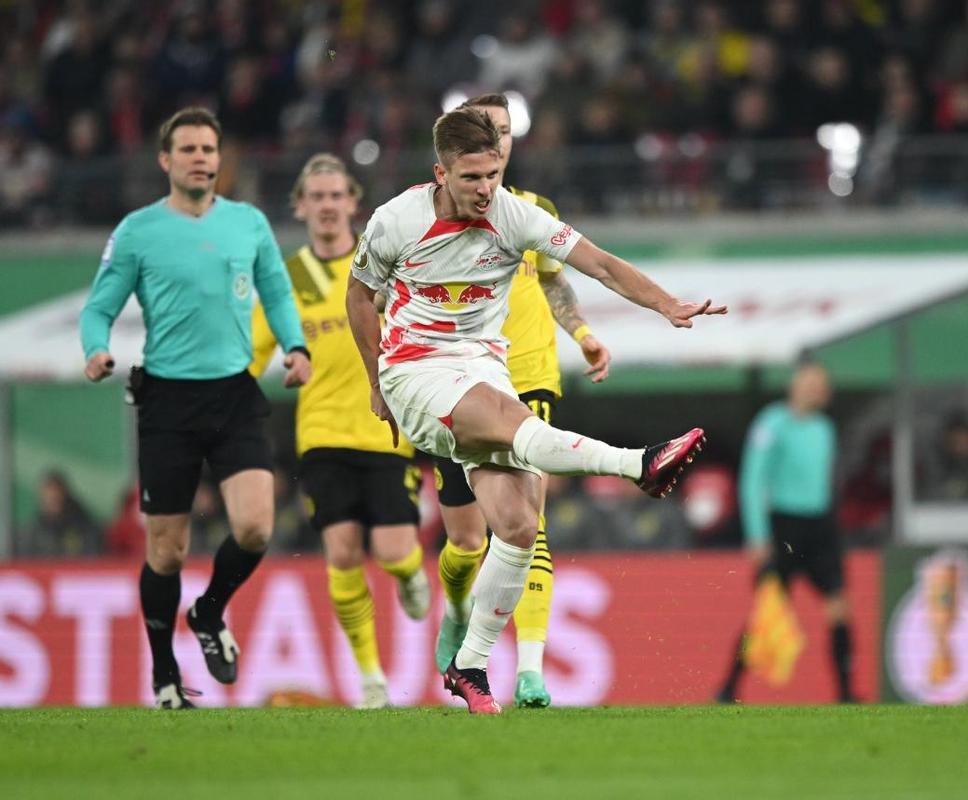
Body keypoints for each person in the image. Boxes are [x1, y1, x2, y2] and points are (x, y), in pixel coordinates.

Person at [347, 106, 724, 713]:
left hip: (482, 365)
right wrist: (374, 380)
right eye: (470, 177)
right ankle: (639, 464)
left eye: (492, 173)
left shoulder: (516, 215)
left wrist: (665, 304)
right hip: (415, 369)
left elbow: (598, 263)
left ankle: (469, 667)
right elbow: (359, 295)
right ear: (439, 172)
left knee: (519, 525)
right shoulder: (396, 220)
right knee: (517, 427)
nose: (484, 188)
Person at [79, 107, 311, 710]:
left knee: (257, 525)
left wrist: (296, 346)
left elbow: (277, 291)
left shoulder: (248, 224)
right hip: (168, 400)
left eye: (209, 148)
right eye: (189, 150)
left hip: (233, 392)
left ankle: (209, 611)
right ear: (166, 161)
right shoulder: (137, 232)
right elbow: (98, 307)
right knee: (168, 551)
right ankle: (163, 676)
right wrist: (96, 349)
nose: (202, 158)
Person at [430, 93, 613, 710]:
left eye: (506, 132)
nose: (500, 141)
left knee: (528, 523)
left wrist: (584, 335)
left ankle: (530, 669)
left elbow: (558, 280)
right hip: (455, 384)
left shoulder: (534, 212)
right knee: (464, 541)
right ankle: (456, 609)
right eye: (489, 131)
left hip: (527, 379)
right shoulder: (430, 215)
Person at [250, 153, 430, 709]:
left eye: (336, 196)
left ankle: (408, 576)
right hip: (322, 436)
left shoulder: (379, 265)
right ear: (300, 206)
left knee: (397, 551)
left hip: (386, 430)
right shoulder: (287, 279)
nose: (327, 207)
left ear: (354, 203)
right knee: (344, 552)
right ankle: (371, 678)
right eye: (316, 197)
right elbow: (248, 356)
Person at [716, 357, 856, 704]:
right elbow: (752, 481)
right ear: (795, 385)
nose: (817, 390)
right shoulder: (772, 424)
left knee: (839, 606)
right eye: (811, 383)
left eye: (822, 385)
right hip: (783, 528)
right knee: (768, 613)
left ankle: (845, 692)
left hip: (820, 527)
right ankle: (729, 688)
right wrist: (757, 535)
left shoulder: (825, 428)